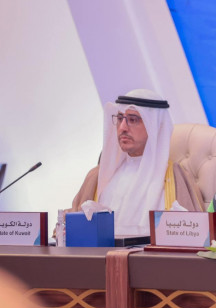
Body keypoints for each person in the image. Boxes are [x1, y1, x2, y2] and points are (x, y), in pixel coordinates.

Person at [71, 89, 204, 235]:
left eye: (133, 120)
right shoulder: (98, 176)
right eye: (120, 118)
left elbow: (197, 234)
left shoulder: (175, 178)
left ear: (154, 126)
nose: (122, 128)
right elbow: (69, 227)